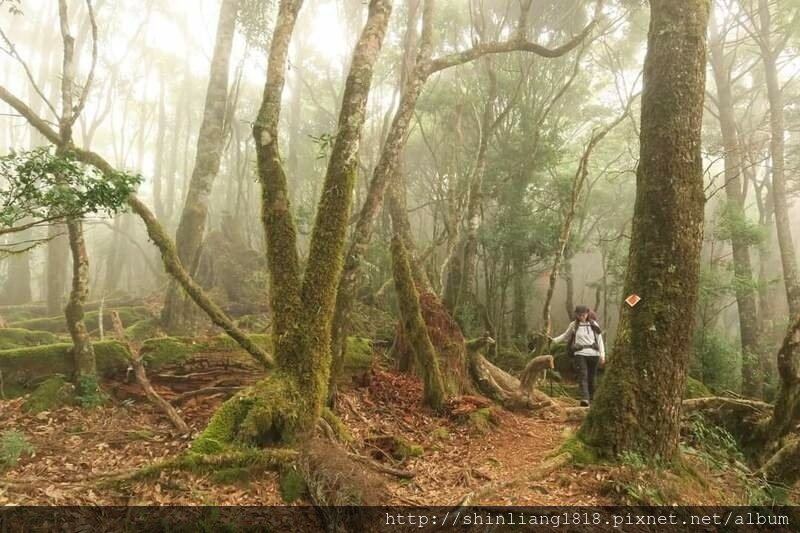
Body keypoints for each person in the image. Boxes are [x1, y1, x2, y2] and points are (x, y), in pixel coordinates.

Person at [550, 305, 605, 407]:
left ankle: (592, 399)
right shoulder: (574, 325)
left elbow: (600, 340)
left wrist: (602, 354)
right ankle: (585, 399)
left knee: (592, 377)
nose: (582, 317)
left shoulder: (593, 324)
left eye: (583, 314)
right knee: (583, 375)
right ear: (576, 314)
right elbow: (565, 336)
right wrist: (553, 340)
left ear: (587, 313)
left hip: (594, 354)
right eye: (579, 315)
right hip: (580, 353)